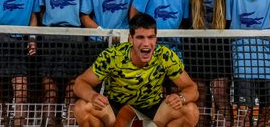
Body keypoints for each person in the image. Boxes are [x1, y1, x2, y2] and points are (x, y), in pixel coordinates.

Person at [71, 12, 200, 127]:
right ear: (131, 39)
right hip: (115, 109)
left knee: (191, 111)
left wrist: (181, 98)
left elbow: (192, 88)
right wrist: (92, 96)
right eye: (140, 37)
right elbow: (80, 83)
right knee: (82, 108)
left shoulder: (165, 56)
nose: (146, 43)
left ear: (156, 39)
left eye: (151, 37)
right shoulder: (113, 56)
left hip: (153, 110)